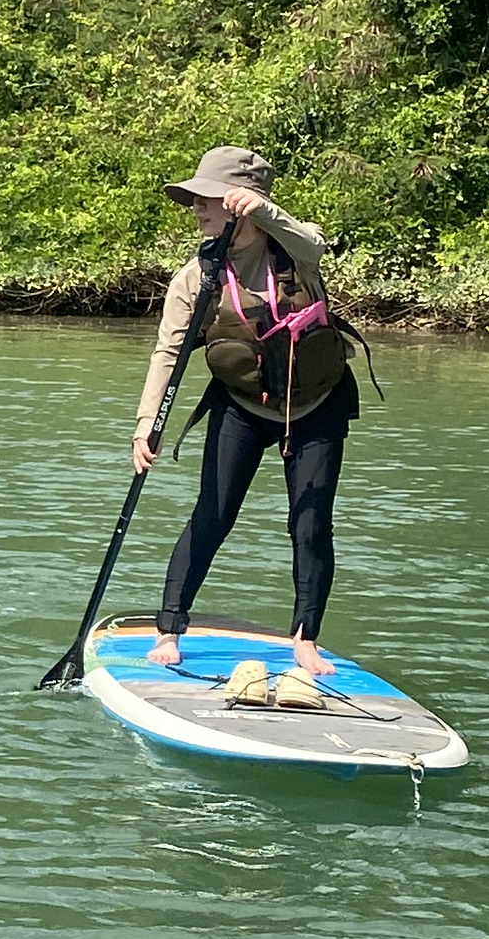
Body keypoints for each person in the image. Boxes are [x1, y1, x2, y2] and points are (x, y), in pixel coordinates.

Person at [129, 144, 358, 680]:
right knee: (213, 512)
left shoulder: (294, 250)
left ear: (239, 202)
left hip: (317, 404)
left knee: (310, 520)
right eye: (193, 199)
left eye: (205, 198)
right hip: (240, 406)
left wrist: (264, 211)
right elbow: (168, 352)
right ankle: (169, 628)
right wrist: (147, 426)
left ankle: (305, 639)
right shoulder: (196, 277)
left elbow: (316, 246)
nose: (196, 208)